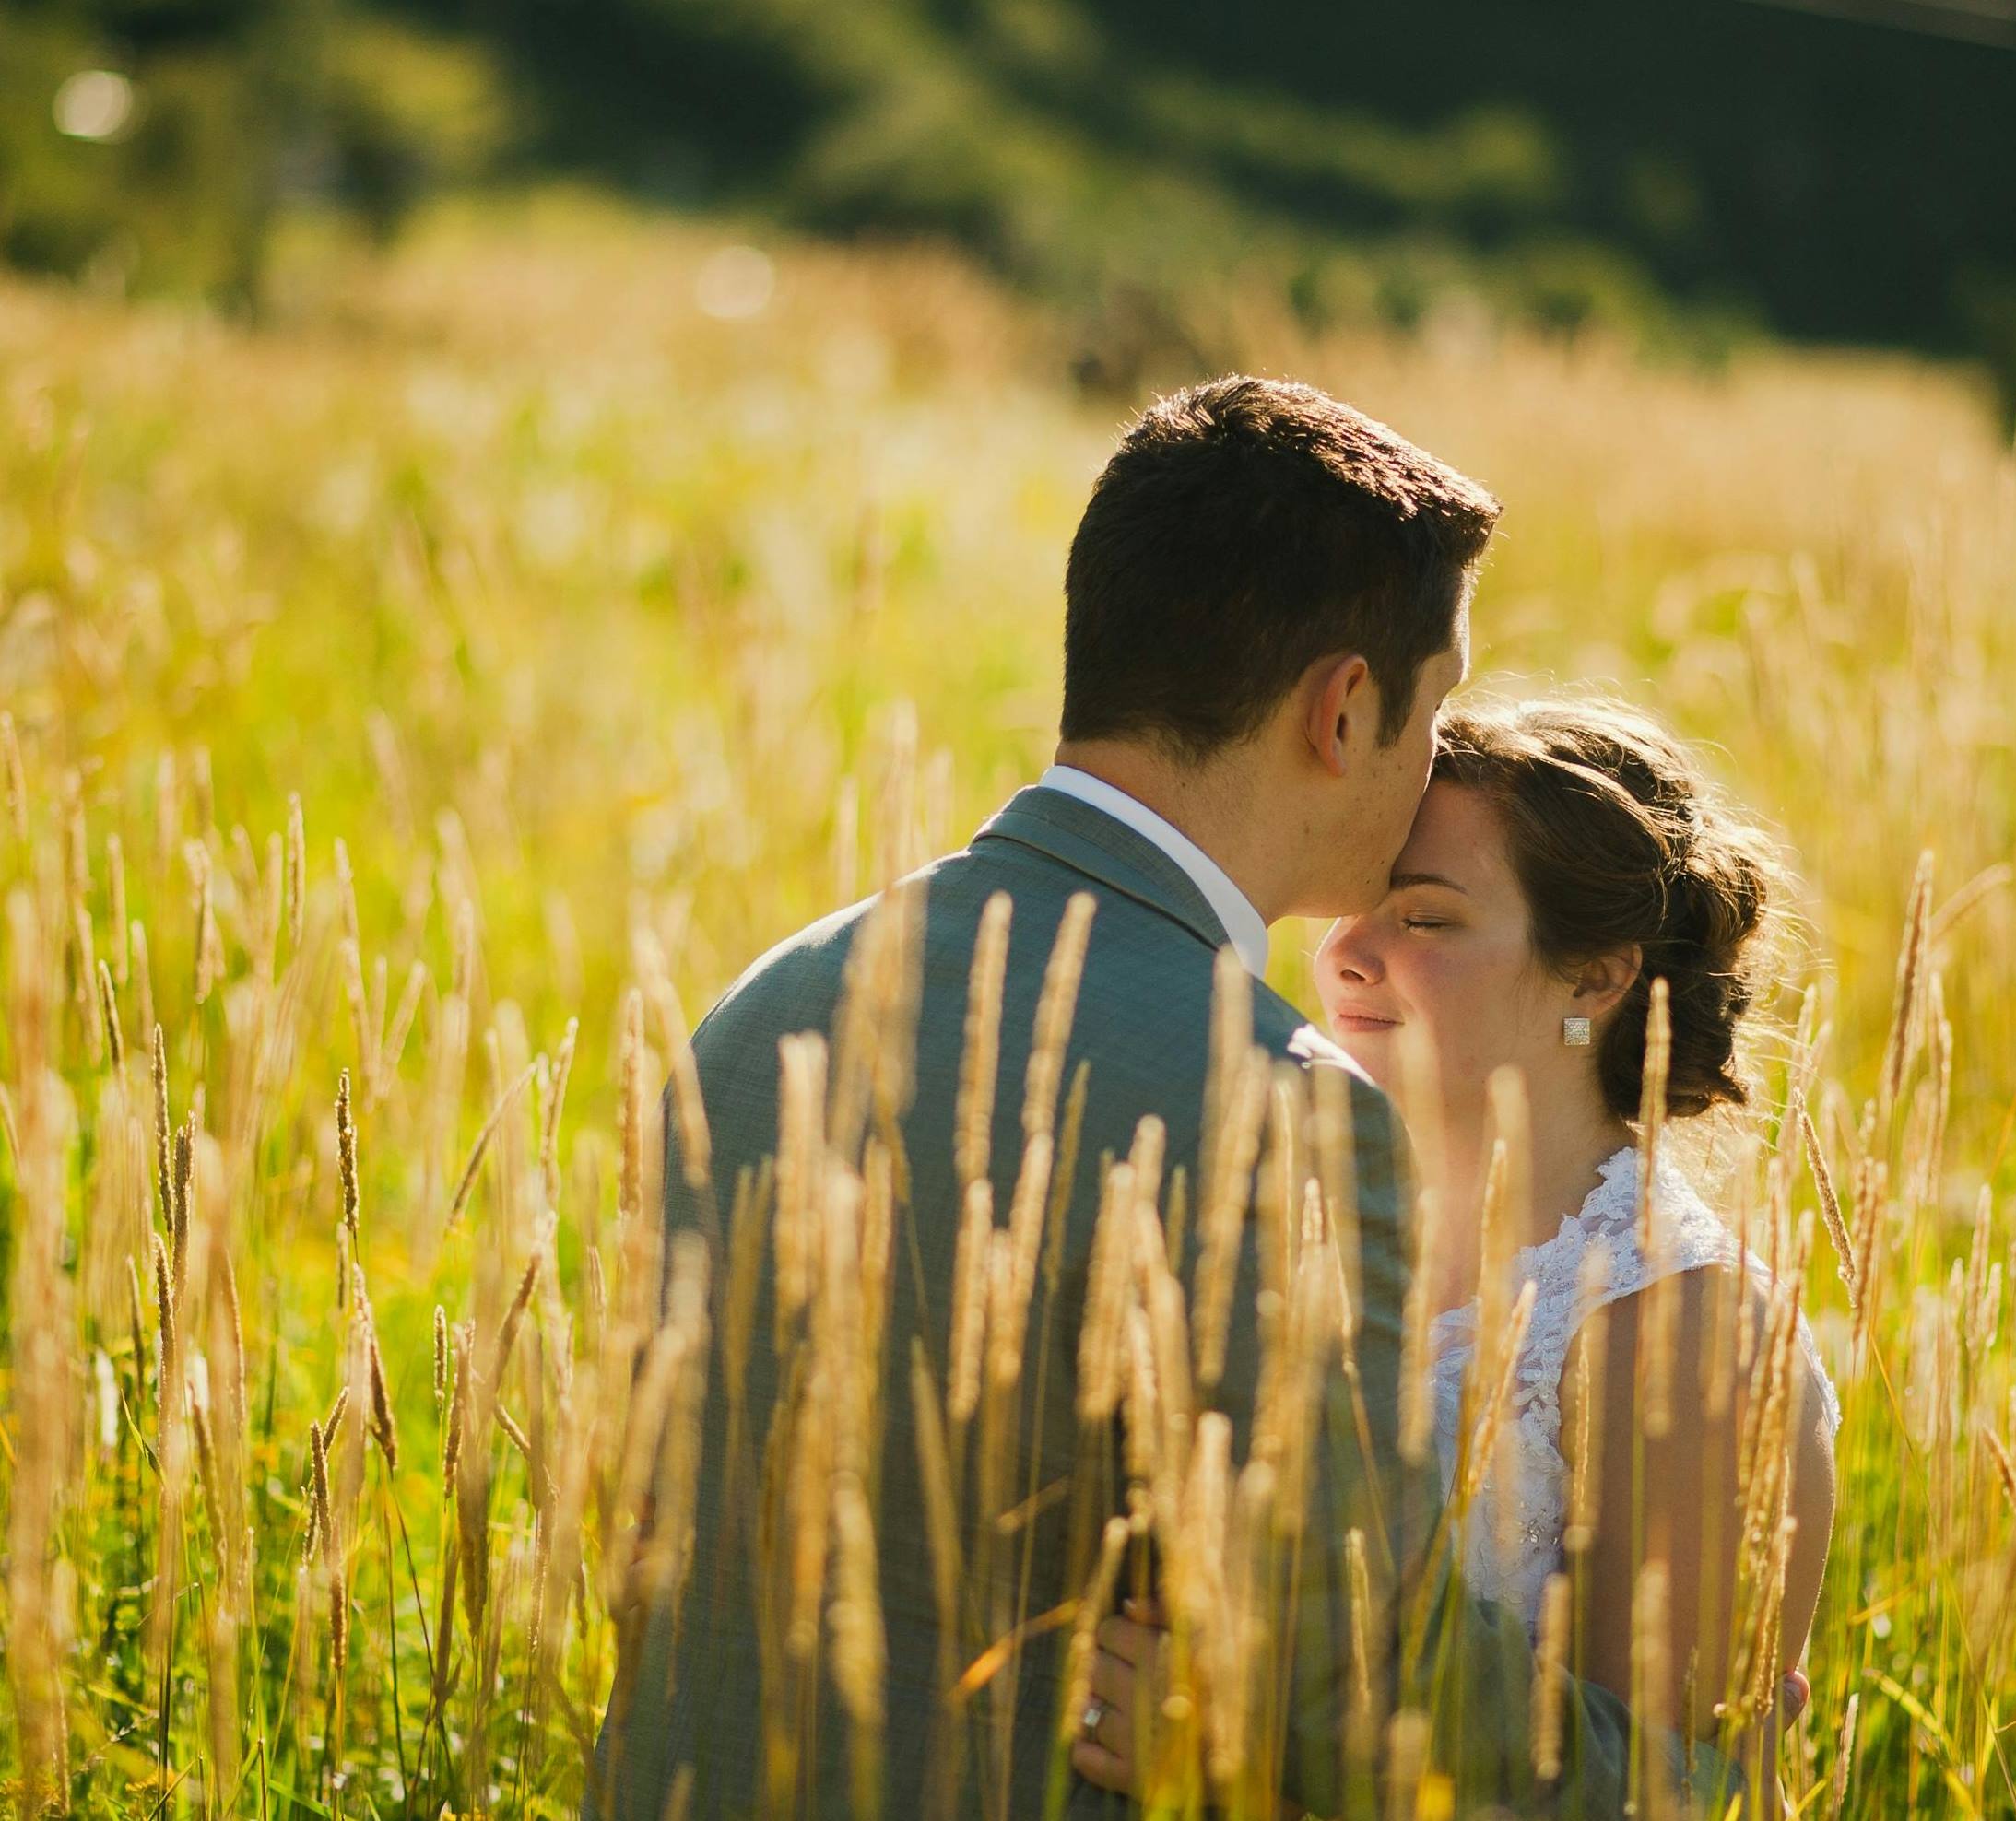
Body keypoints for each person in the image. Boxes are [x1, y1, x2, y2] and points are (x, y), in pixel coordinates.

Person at [587, 377, 1739, 1819]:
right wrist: (1690, 1783)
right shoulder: (1280, 1114)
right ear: (1343, 707)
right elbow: (1337, 1683)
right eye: (1432, 707)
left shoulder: (768, 1003)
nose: (1434, 758)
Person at [1070, 696, 1839, 1809]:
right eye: (1353, 907)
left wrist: (1225, 1774)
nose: (1345, 954)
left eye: (1424, 919)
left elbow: (1667, 1798)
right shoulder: (1284, 1222)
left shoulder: (1685, 1333)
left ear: (1595, 978)